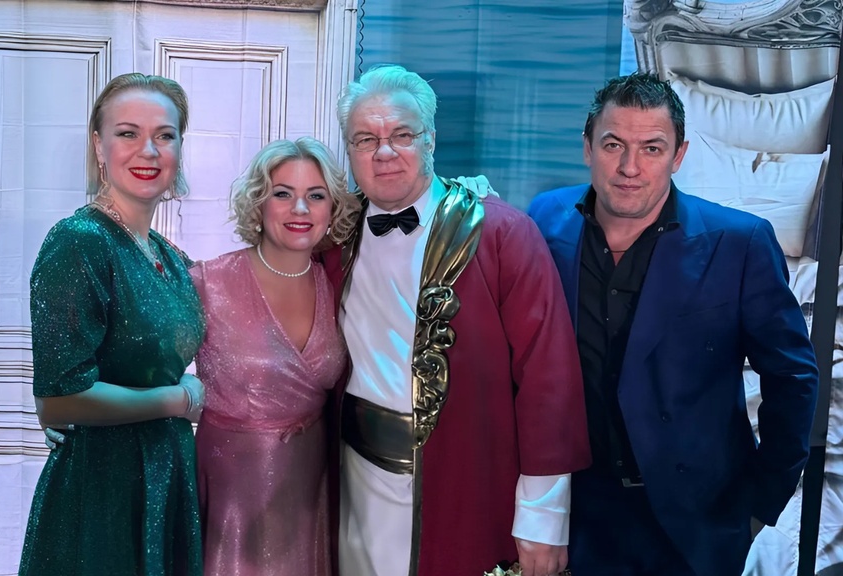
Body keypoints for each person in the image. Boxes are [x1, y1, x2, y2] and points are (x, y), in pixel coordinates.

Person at [527, 72, 820, 576]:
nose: (630, 167)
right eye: (614, 145)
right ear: (588, 147)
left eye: (652, 148)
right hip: (576, 514)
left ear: (679, 156)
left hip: (695, 523)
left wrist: (759, 504)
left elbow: (793, 377)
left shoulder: (740, 242)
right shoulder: (545, 219)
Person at [320, 64, 592, 576]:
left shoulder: (503, 234)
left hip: (466, 483)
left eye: (402, 135)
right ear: (349, 150)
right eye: (365, 139)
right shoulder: (331, 236)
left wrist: (543, 517)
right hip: (352, 481)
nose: (383, 152)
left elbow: (548, 378)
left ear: (431, 140)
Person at [19, 72, 207, 576]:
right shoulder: (79, 241)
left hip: (164, 477)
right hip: (102, 489)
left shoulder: (169, 255)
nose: (148, 150)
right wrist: (177, 399)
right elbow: (59, 400)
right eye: (128, 133)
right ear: (98, 146)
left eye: (164, 135)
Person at [190, 137, 358, 575]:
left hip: (310, 492)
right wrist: (78, 412)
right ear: (259, 203)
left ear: (332, 208)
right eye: (283, 194)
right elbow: (146, 371)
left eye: (315, 196)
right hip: (228, 494)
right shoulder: (207, 283)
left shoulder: (338, 284)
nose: (300, 209)